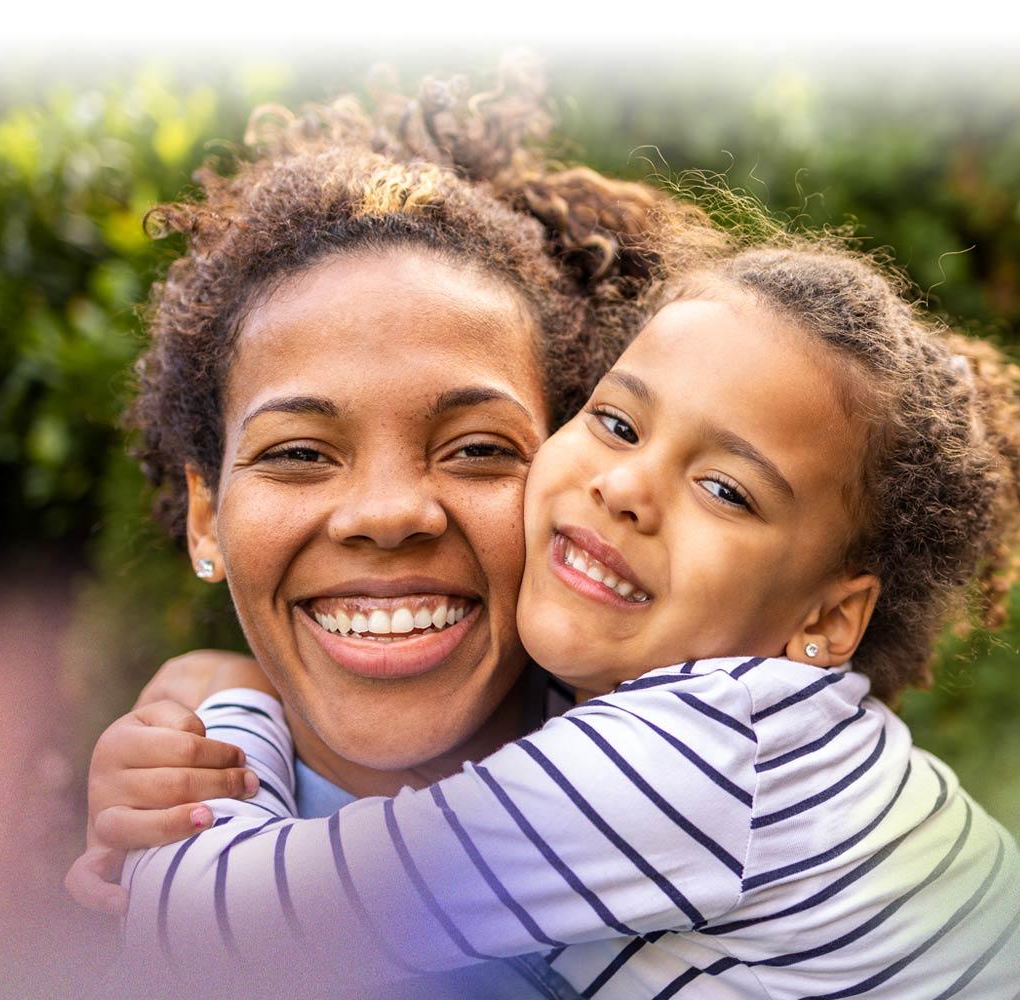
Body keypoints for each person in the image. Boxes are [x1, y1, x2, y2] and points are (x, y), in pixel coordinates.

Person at [109, 233, 1020, 998]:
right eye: (619, 423)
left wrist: (225, 718)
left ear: (828, 621)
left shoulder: (689, 760)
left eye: (726, 490)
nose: (626, 488)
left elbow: (210, 927)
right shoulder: (708, 728)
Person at [64, 61, 714, 999]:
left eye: (478, 449)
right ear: (207, 517)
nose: (388, 513)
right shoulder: (167, 837)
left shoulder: (695, 795)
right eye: (298, 452)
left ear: (574, 482)